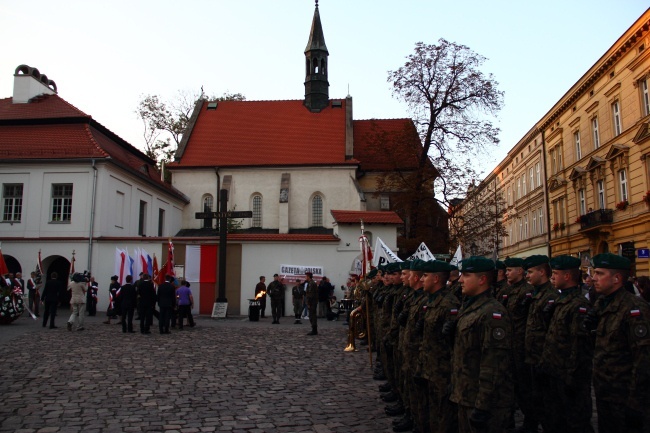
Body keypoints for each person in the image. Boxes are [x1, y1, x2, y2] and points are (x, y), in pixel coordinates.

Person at [450, 256, 514, 432]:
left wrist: (482, 405)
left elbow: (493, 365)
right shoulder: (470, 306)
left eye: (466, 275)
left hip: (484, 402)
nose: (460, 279)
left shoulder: (493, 313)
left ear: (482, 279)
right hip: (466, 394)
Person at [589, 253, 650, 433]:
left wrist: (636, 402)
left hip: (625, 395)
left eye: (600, 273)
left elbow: (644, 360)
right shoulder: (602, 304)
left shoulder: (634, 309)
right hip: (605, 390)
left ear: (616, 278)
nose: (593, 278)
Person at [541, 255, 593, 432]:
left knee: (575, 423)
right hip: (555, 373)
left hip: (569, 378)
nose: (552, 277)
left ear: (568, 276)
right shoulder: (560, 300)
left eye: (555, 273)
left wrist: (571, 379)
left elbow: (579, 346)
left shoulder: (578, 305)